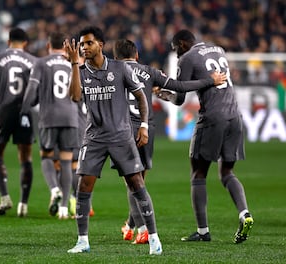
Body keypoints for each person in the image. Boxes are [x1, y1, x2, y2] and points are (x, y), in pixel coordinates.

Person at [113, 39, 227, 245]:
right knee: (139, 181)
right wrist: (210, 80)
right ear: (137, 55)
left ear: (116, 57)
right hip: (147, 130)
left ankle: (142, 229)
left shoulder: (111, 71)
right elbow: (180, 85)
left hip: (123, 130)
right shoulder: (149, 71)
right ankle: (130, 226)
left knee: (133, 182)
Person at [64, 26, 162, 255]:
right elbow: (75, 97)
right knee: (83, 187)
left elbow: (141, 97)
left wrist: (144, 126)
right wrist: (74, 64)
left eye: (88, 43)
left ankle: (154, 238)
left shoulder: (120, 68)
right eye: (81, 44)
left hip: (121, 137)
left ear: (101, 44)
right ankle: (82, 241)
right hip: (94, 138)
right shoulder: (82, 70)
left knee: (137, 184)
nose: (84, 48)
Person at [157, 29, 254, 243]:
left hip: (213, 117)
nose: (177, 55)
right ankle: (244, 213)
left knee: (198, 174)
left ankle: (203, 232)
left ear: (182, 44)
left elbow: (180, 96)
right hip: (234, 116)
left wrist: (163, 94)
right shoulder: (217, 49)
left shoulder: (188, 58)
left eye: (176, 50)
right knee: (227, 172)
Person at [21, 32, 79, 219]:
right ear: (65, 45)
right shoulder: (74, 64)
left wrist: (24, 109)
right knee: (66, 161)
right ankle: (64, 208)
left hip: (49, 117)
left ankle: (55, 190)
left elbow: (31, 91)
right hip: (70, 117)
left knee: (46, 155)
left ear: (48, 45)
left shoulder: (41, 63)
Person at [0, 27, 36, 217]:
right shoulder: (33, 61)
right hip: (25, 112)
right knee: (26, 158)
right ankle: (24, 204)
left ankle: (4, 197)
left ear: (8, 42)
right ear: (26, 43)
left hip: (2, 112)